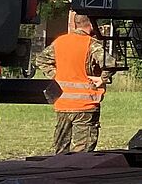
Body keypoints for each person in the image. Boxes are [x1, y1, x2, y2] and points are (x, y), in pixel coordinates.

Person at [40, 14, 109, 153]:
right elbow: (110, 63)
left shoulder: (60, 42)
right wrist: (102, 79)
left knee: (61, 151)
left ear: (76, 24)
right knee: (82, 153)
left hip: (62, 103)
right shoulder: (91, 44)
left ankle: (59, 167)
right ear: (91, 24)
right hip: (86, 105)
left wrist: (56, 76)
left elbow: (41, 60)